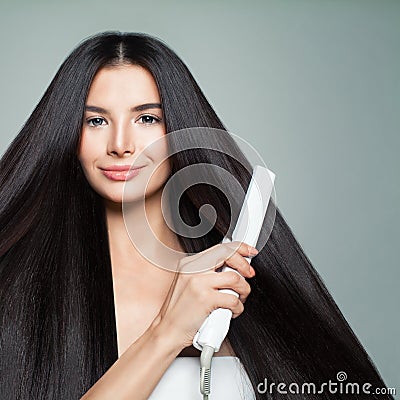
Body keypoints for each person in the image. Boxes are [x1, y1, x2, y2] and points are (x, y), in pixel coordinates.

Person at [0, 31, 393, 400]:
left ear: (180, 128)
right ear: (68, 133)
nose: (120, 145)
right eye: (97, 120)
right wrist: (168, 331)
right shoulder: (19, 289)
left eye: (147, 118)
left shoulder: (240, 278)